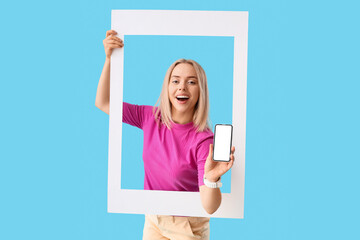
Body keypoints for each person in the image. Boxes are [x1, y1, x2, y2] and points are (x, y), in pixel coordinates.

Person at [95, 30, 235, 240]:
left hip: (188, 225)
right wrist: (109, 59)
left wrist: (211, 178)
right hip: (154, 219)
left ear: (200, 91)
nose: (182, 87)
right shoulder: (149, 117)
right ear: (167, 86)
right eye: (176, 80)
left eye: (191, 82)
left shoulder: (203, 140)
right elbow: (103, 102)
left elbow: (209, 206)